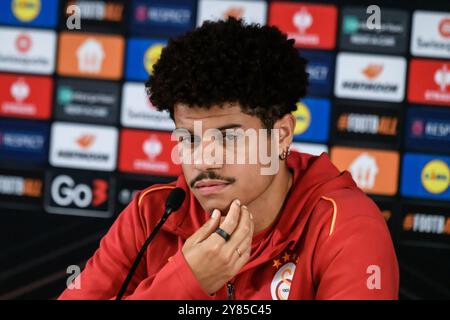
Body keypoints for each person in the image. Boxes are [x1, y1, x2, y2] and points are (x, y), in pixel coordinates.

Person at [59, 18, 399, 300]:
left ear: (280, 135)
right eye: (189, 138)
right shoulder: (152, 216)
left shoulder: (346, 225)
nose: (204, 158)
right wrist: (184, 282)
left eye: (230, 137)